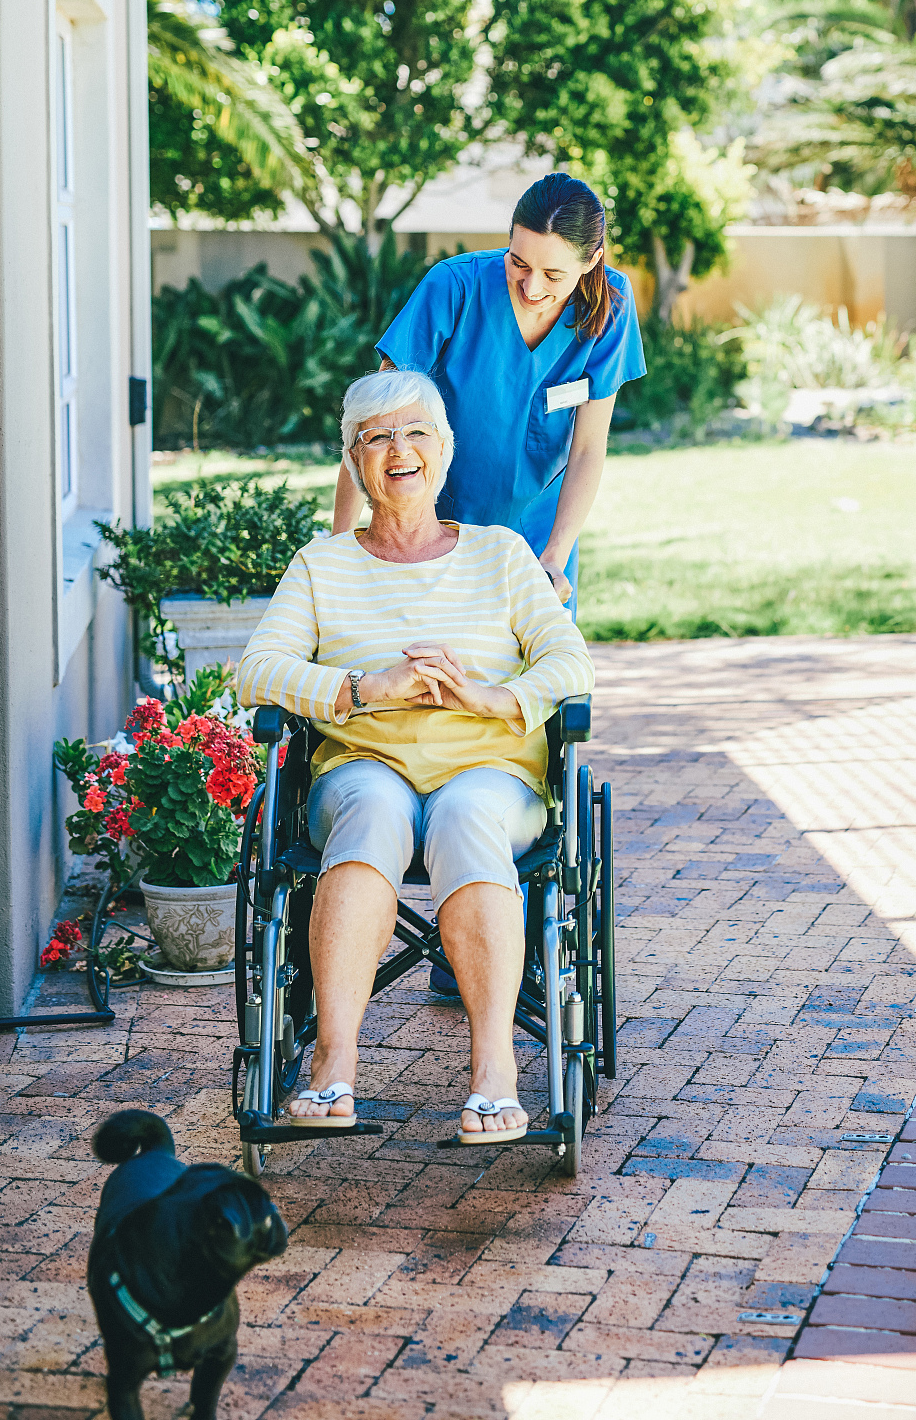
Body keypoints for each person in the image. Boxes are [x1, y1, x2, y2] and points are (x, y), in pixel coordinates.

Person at [237, 369, 595, 1142]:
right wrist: (366, 689)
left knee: (468, 817)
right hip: (365, 766)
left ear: (446, 448)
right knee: (368, 815)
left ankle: (494, 1072)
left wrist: (489, 698)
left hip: (491, 771)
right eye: (375, 437)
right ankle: (333, 1068)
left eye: (416, 433)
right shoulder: (322, 564)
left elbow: (570, 665)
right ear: (353, 461)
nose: (398, 450)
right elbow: (256, 670)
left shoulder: (501, 554)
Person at [331, 173, 646, 614]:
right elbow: (373, 425)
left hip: (538, 534)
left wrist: (554, 557)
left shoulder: (611, 305)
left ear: (592, 260)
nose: (532, 287)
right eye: (518, 263)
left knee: (540, 680)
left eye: (554, 274)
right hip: (432, 530)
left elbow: (589, 447)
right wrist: (339, 549)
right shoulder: (455, 286)